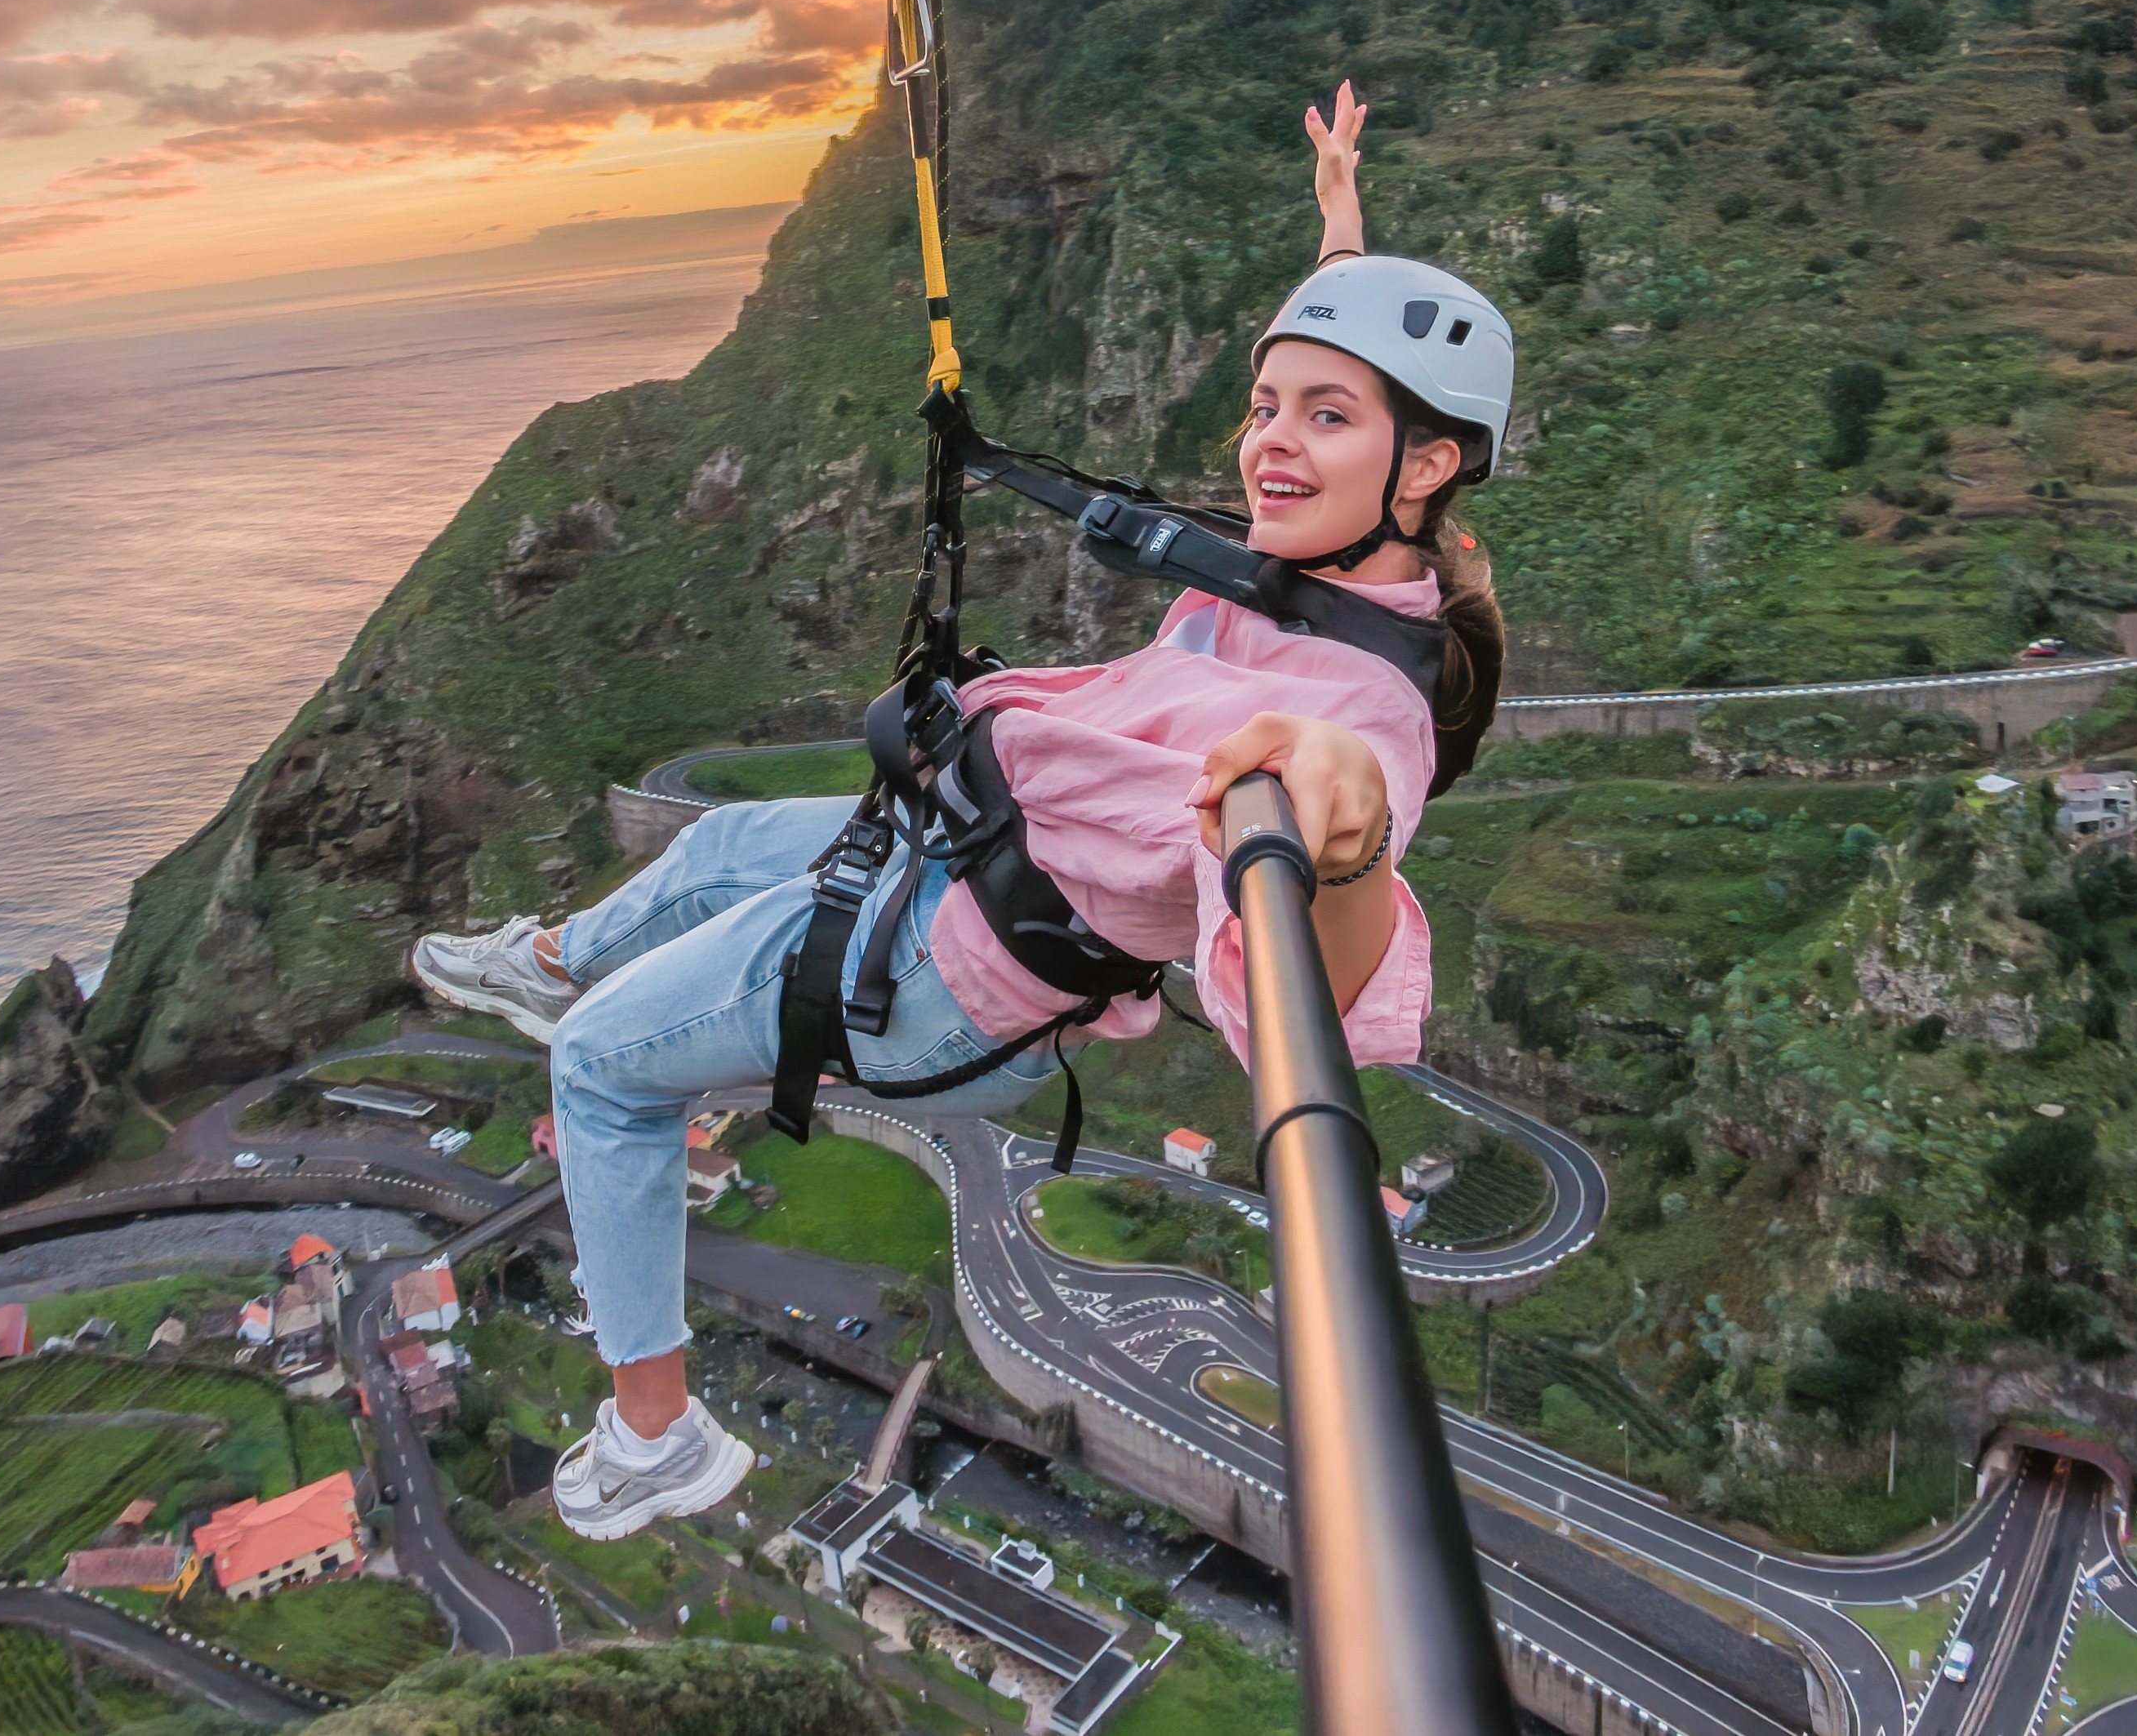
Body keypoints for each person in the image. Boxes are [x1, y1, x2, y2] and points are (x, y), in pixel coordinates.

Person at [409, 82, 1512, 1538]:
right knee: (724, 838)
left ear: (1424, 466)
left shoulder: (1361, 716)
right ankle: (545, 960)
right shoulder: (1311, 567)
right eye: (1263, 406)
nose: (1267, 445)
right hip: (966, 843)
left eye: (1324, 416)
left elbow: (1332, 984)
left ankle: (656, 1431)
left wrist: (1356, 836)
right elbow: (1335, 390)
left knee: (610, 1071)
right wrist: (1338, 227)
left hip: (953, 966)